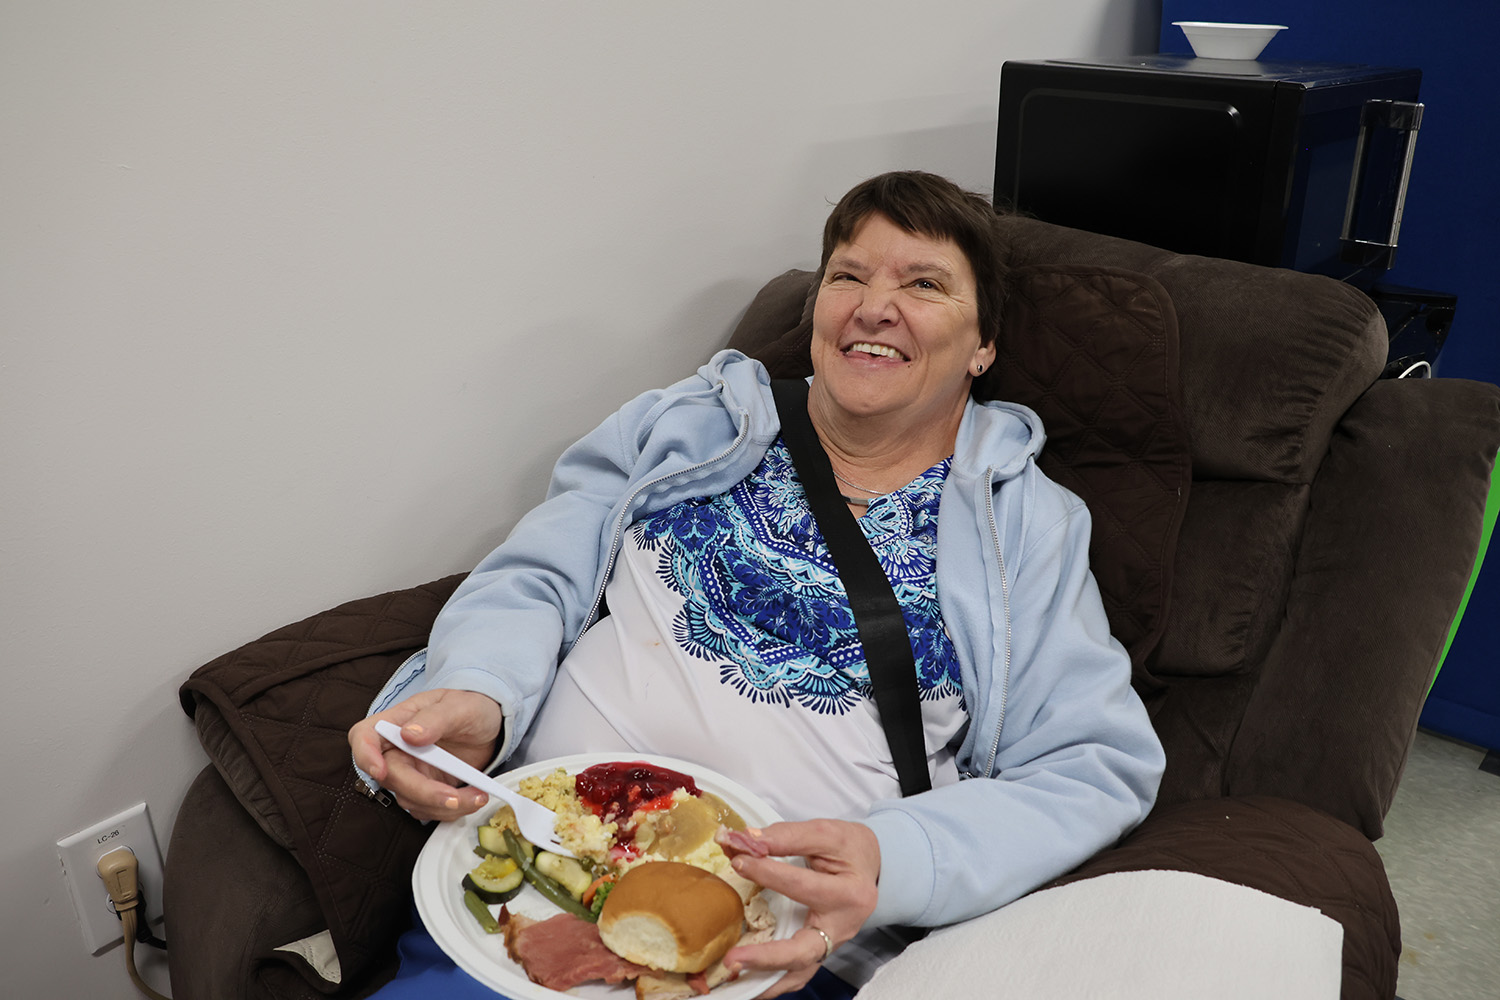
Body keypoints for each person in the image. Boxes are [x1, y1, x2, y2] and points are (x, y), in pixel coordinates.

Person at [349, 170, 1165, 999]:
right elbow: (536, 574)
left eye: (924, 284)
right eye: (848, 275)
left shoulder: (1023, 524)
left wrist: (896, 859)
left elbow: (1093, 764)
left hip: (775, 952)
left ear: (984, 344)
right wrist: (480, 692)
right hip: (535, 883)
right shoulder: (690, 426)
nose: (873, 306)